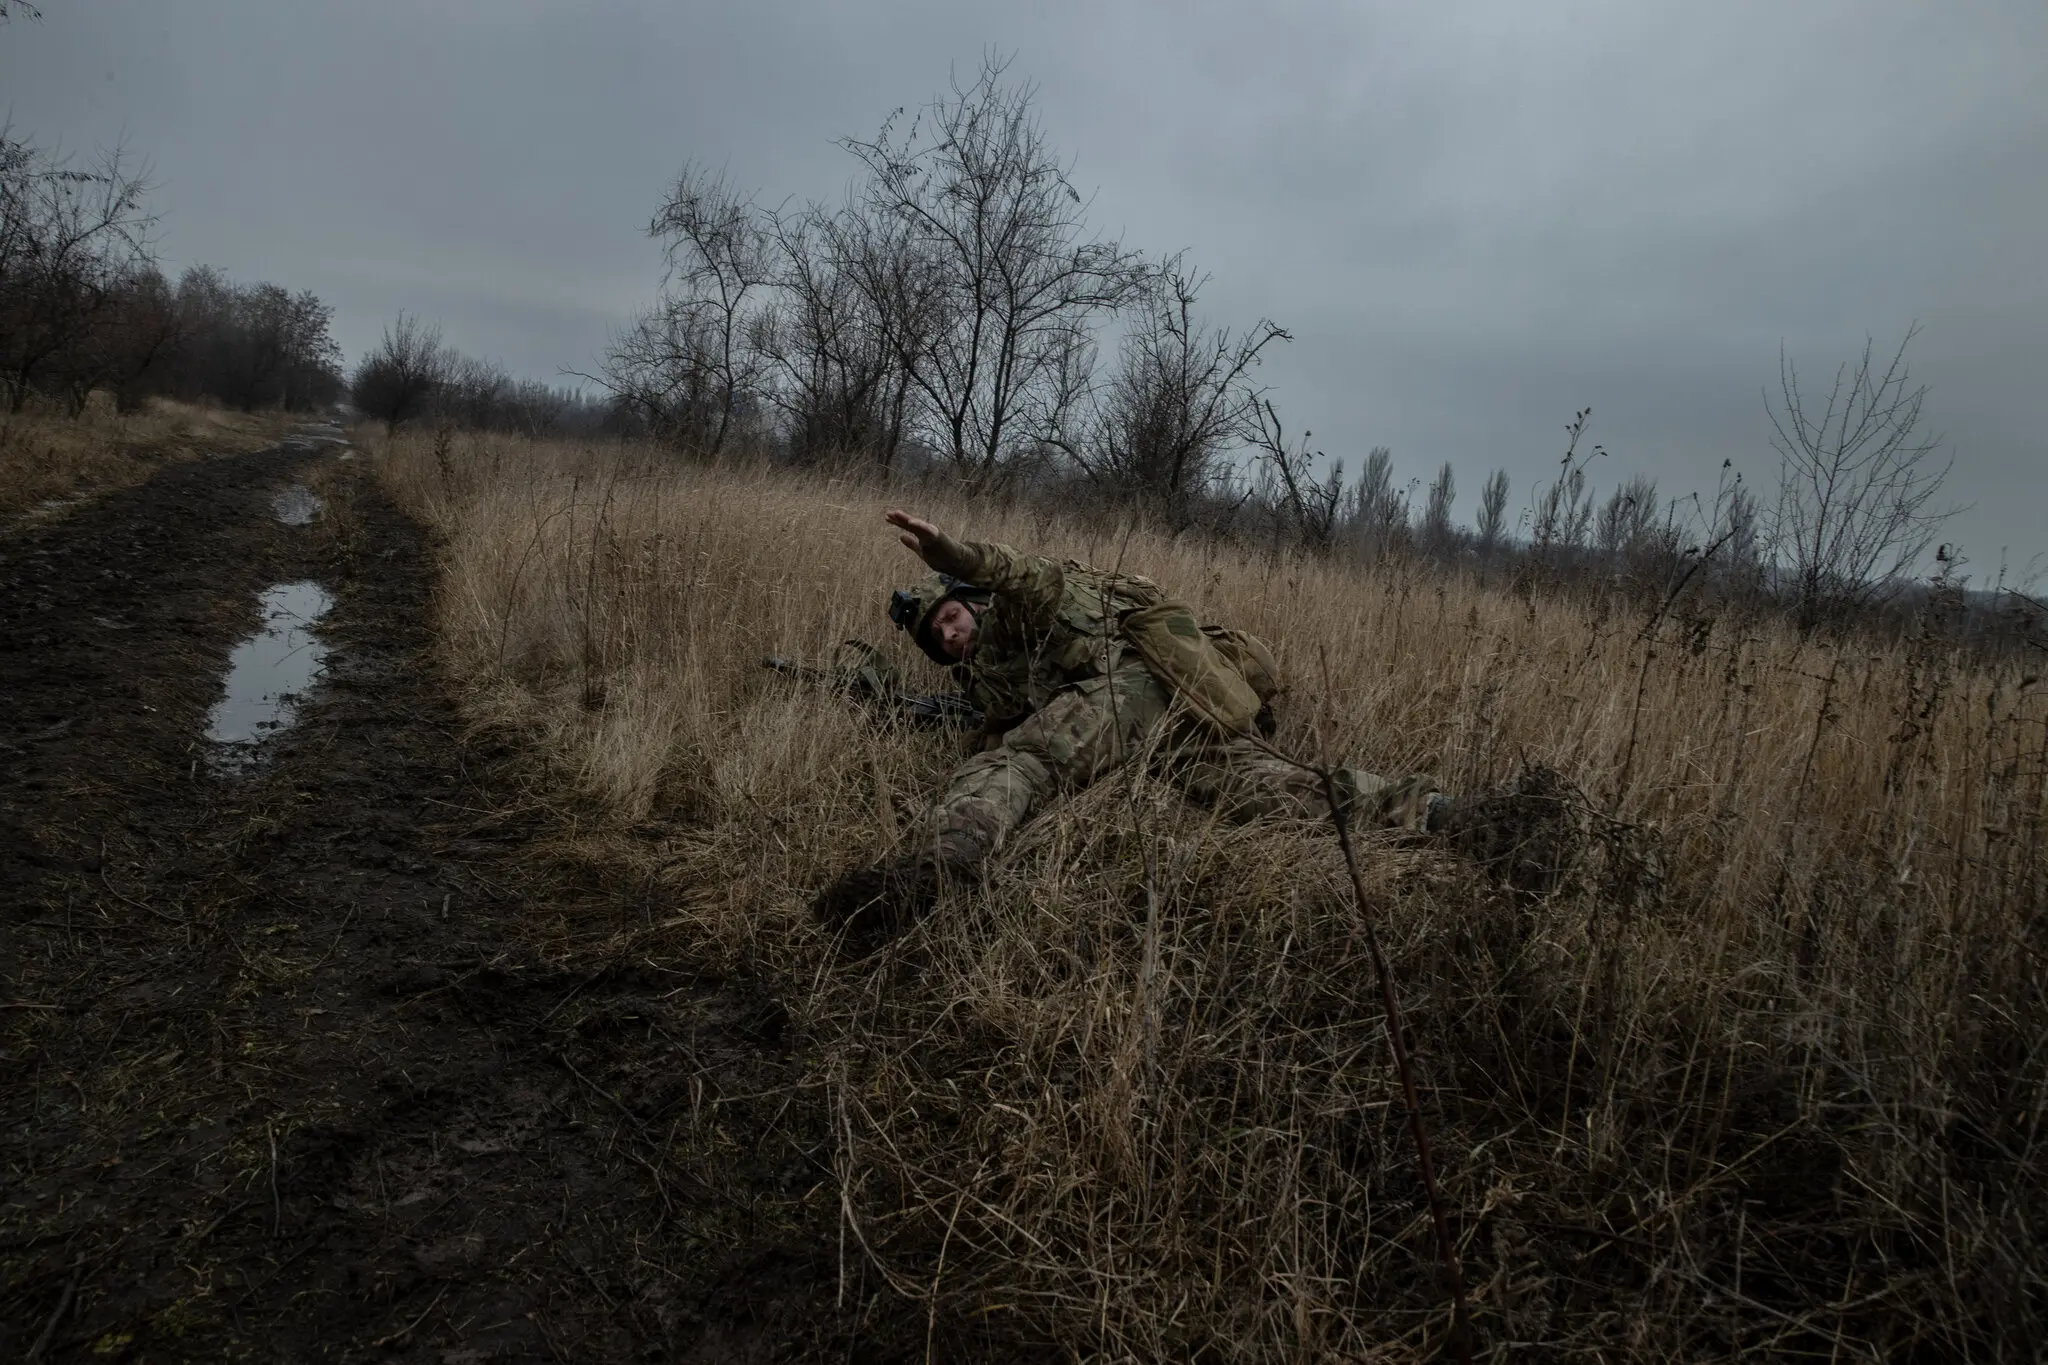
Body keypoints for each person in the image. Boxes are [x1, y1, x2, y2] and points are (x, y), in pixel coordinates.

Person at [811, 510, 1511, 940]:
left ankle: (936, 864)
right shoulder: (987, 671)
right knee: (1274, 792)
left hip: (1141, 682)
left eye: (953, 616)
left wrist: (962, 557)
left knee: (1023, 761)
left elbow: (1028, 576)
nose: (952, 636)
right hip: (1174, 716)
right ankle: (1452, 816)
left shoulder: (1020, 608)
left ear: (972, 602)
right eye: (939, 638)